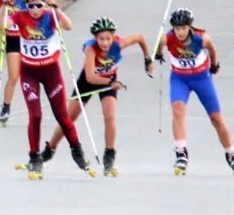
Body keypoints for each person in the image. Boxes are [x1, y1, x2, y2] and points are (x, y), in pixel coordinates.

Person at [41, 17, 152, 176]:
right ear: (95, 38)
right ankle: (49, 149)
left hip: (109, 82)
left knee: (109, 116)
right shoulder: (91, 49)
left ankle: (109, 154)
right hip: (90, 81)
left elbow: (140, 38)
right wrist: (111, 82)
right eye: (101, 39)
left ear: (113, 37)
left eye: (108, 38)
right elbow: (90, 77)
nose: (105, 43)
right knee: (68, 118)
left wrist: (147, 59)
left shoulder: (119, 44)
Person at [6, 0, 93, 179]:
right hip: (29, 72)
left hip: (51, 71)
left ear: (43, 3)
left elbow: (69, 26)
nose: (35, 10)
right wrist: (6, 4)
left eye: (38, 5)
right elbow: (1, 25)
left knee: (61, 115)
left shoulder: (50, 15)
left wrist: (56, 7)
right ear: (26, 5)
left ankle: (77, 151)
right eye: (31, 6)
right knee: (35, 115)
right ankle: (35, 157)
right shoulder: (21, 16)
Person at [154, 8, 234, 177]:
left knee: (216, 118)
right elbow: (158, 47)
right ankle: (181, 152)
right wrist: (157, 54)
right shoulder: (166, 38)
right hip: (180, 80)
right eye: (177, 29)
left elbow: (212, 50)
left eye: (183, 28)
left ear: (189, 27)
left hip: (201, 79)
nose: (180, 32)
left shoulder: (202, 38)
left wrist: (214, 65)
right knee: (178, 112)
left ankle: (232, 154)